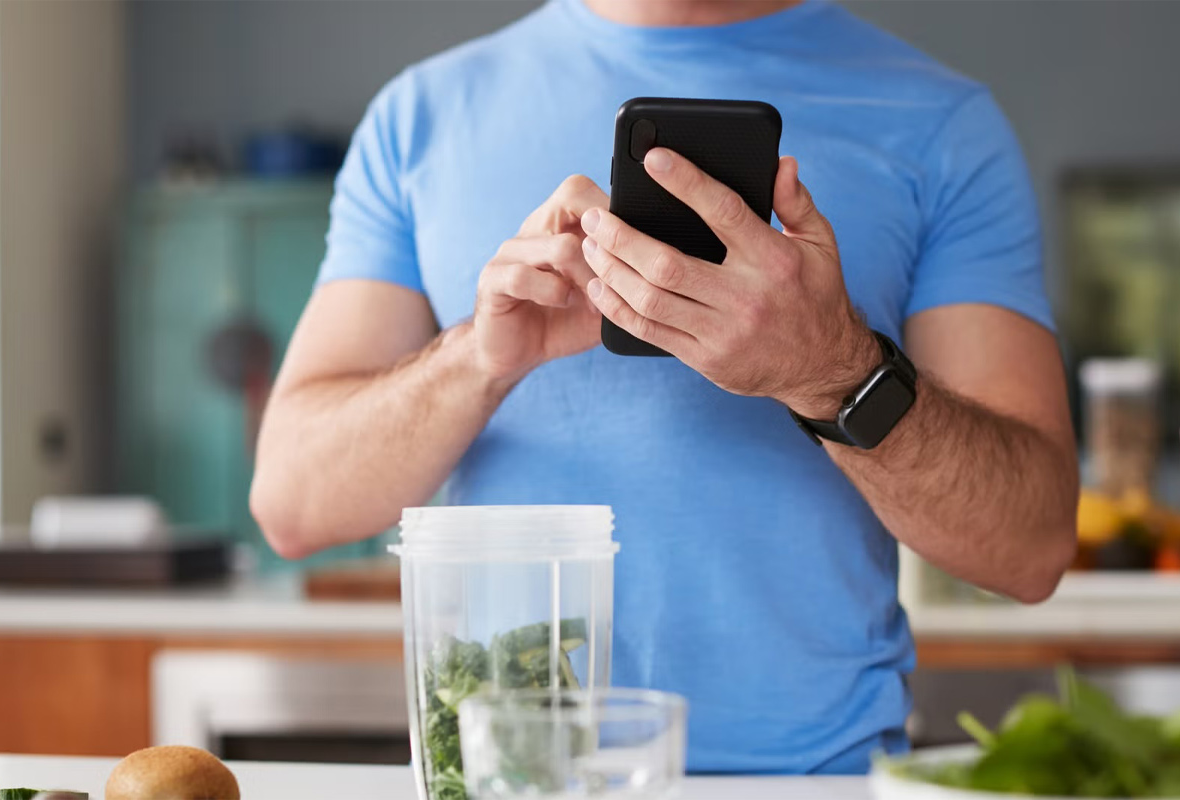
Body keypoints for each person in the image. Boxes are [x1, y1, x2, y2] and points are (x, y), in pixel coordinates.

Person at [251, 0, 1079, 774]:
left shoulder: (940, 124)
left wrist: (832, 368)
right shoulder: (420, 118)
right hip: (516, 781)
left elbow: (1031, 546)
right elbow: (293, 500)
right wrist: (478, 358)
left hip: (810, 780)